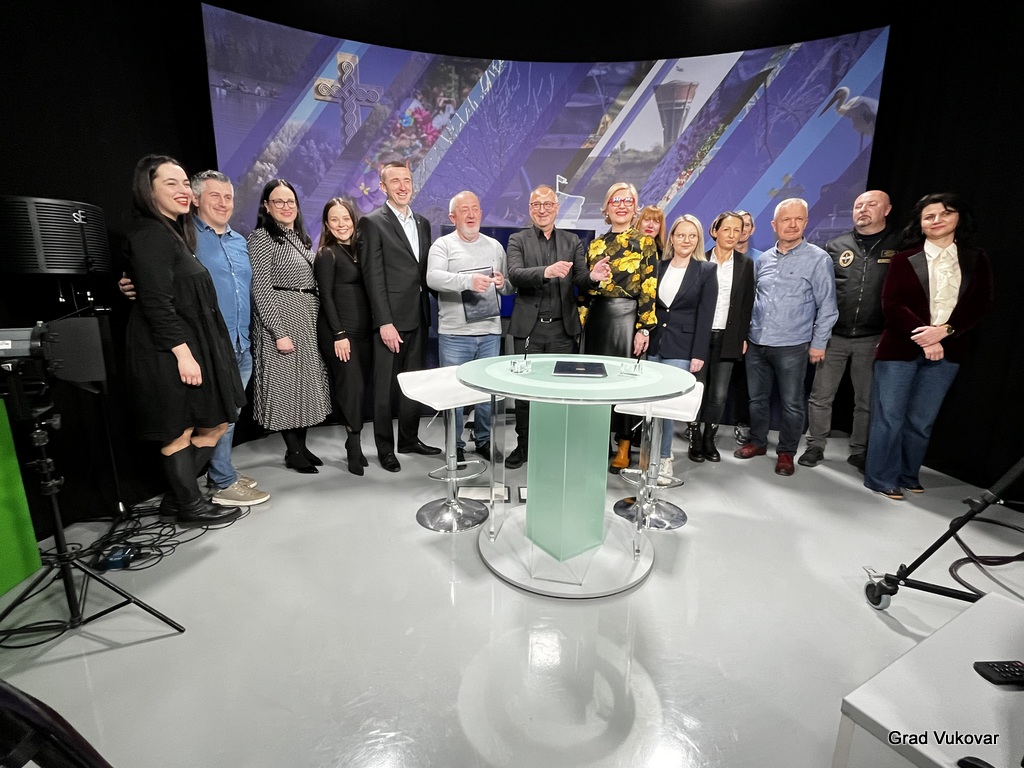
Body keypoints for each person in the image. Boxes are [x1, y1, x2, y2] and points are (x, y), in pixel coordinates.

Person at [117, 170, 271, 506]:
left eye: (228, 197)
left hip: (239, 343)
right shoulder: (185, 237)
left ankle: (218, 474)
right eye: (215, 196)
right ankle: (220, 482)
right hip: (203, 347)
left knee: (227, 418)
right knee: (207, 420)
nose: (223, 203)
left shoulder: (239, 241)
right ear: (197, 199)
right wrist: (131, 284)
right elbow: (155, 279)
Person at [863, 193, 993, 500]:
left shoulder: (976, 259)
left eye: (945, 213)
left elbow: (981, 303)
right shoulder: (903, 259)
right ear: (920, 224)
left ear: (958, 218)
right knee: (889, 417)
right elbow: (892, 304)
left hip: (950, 349)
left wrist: (944, 332)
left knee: (922, 421)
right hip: (900, 350)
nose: (937, 220)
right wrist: (925, 336)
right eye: (929, 216)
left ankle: (908, 474)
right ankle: (881, 477)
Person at [505, 185, 610, 469]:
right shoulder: (518, 240)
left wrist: (594, 277)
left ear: (556, 208)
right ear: (530, 208)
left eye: (548, 204)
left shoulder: (572, 241)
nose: (542, 210)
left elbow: (580, 279)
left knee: (560, 390)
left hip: (563, 330)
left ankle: (555, 446)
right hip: (529, 329)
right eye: (536, 205)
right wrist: (546, 272)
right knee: (525, 393)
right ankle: (524, 445)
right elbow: (514, 275)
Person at [733, 198, 838, 476]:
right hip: (757, 342)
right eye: (786, 220)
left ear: (806, 222)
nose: (792, 225)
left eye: (798, 219)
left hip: (793, 345)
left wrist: (819, 344)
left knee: (792, 403)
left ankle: (786, 452)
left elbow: (828, 307)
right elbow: (753, 300)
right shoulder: (763, 259)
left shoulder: (818, 259)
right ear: (774, 225)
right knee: (757, 399)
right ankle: (757, 442)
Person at [798, 190, 897, 470]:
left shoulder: (900, 245)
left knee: (865, 399)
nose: (863, 210)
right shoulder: (836, 246)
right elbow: (822, 293)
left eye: (871, 204)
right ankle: (815, 446)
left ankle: (859, 450)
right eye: (858, 205)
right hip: (834, 336)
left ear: (887, 210)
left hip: (874, 337)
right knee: (820, 396)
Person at [358, 161, 441, 472]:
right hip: (390, 321)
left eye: (407, 180)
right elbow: (372, 277)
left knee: (413, 383)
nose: (403, 186)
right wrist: (384, 322)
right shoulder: (372, 222)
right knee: (384, 389)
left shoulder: (422, 223)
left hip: (419, 316)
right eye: (395, 181)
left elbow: (423, 273)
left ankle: (408, 439)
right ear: (383, 187)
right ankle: (385, 449)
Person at [248, 179, 332, 473]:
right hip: (282, 318)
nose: (286, 207)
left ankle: (302, 447)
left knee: (305, 385)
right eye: (279, 201)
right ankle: (293, 451)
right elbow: (261, 288)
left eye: (291, 201)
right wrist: (278, 332)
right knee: (285, 385)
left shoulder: (298, 237)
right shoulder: (261, 238)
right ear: (266, 206)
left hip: (306, 318)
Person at [426, 191, 513, 461]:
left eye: (475, 209)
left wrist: (503, 283)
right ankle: (456, 446)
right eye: (465, 210)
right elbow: (433, 278)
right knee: (454, 394)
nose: (471, 214)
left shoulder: (495, 246)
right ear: (453, 217)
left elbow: (508, 286)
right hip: (455, 334)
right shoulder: (442, 245)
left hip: (489, 332)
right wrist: (468, 282)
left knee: (486, 393)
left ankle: (484, 439)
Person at [581, 182, 659, 472]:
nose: (622, 206)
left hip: (627, 318)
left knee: (624, 384)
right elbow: (586, 288)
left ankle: (624, 444)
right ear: (606, 207)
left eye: (628, 201)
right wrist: (580, 322)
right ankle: (599, 441)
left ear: (635, 207)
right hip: (597, 317)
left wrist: (643, 328)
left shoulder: (645, 243)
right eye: (616, 201)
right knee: (596, 384)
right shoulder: (596, 244)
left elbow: (649, 287)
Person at [648, 215, 717, 481]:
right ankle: (649, 457)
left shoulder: (706, 271)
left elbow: (706, 315)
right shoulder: (659, 266)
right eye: (681, 235)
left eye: (692, 236)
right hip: (654, 343)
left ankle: (664, 458)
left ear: (698, 239)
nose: (686, 240)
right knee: (650, 406)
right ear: (672, 238)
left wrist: (698, 353)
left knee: (666, 408)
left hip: (682, 347)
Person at [314, 197, 373, 476]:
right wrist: (339, 334)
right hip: (339, 334)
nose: (341, 224)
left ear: (353, 220)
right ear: (327, 224)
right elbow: (325, 295)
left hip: (364, 334)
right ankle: (353, 444)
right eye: (334, 220)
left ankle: (355, 440)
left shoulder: (361, 251)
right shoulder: (327, 254)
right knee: (351, 388)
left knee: (361, 388)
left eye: (345, 218)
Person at [691, 211, 755, 463]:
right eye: (726, 229)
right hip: (699, 337)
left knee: (718, 394)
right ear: (714, 231)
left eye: (737, 230)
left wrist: (742, 336)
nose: (732, 235)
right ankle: (695, 438)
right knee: (697, 390)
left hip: (728, 337)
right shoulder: (699, 260)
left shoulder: (745, 264)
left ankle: (709, 439)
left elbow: (746, 304)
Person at [729, 209, 761, 445]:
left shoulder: (762, 259)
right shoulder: (715, 258)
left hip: (750, 331)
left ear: (752, 229)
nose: (741, 230)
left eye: (746, 225)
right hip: (720, 329)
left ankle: (744, 423)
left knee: (744, 382)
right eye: (736, 226)